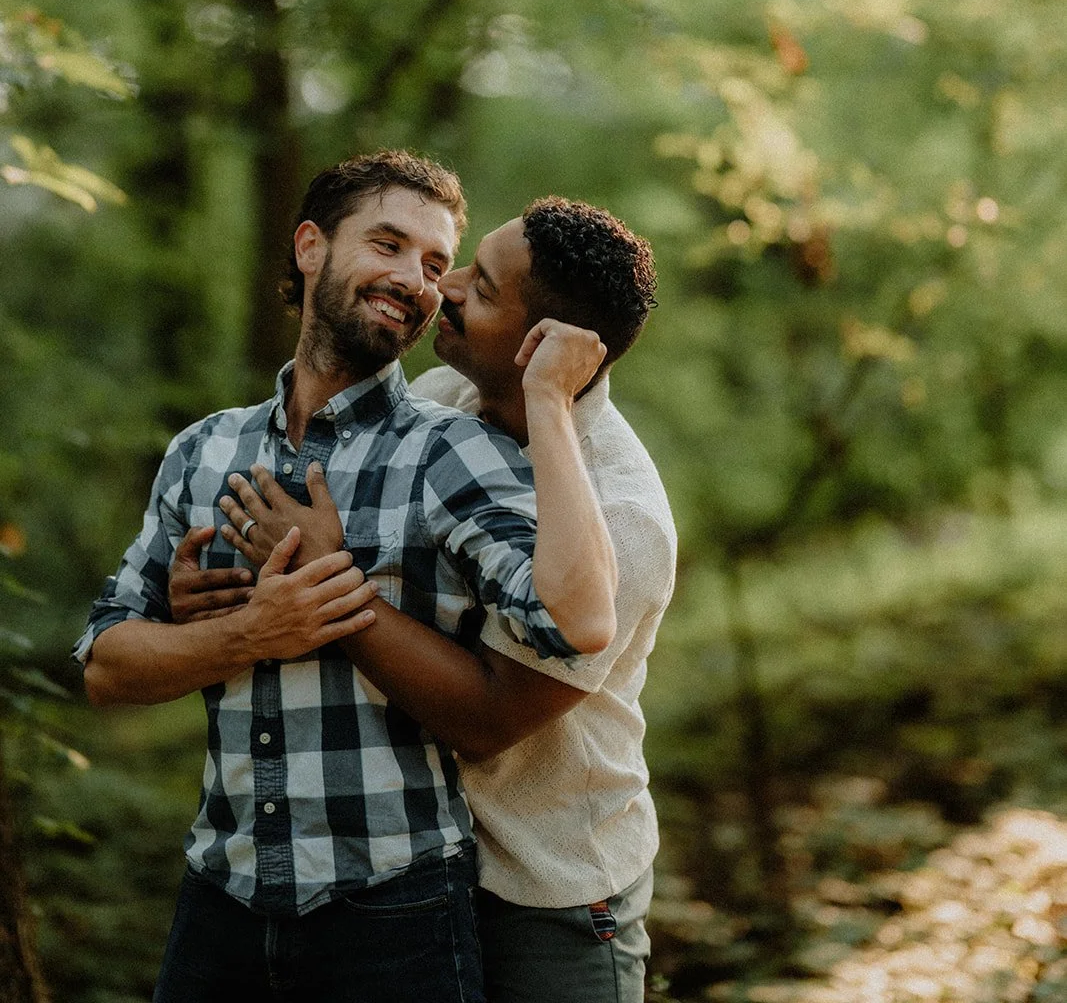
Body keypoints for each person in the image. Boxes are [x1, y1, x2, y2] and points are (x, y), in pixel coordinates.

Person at [74, 152, 620, 1003]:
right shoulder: (203, 451)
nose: (415, 280)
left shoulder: (449, 452)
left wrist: (546, 400)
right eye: (389, 245)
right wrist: (244, 635)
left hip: (396, 909)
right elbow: (105, 666)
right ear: (309, 247)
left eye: (436, 266)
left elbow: (574, 622)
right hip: (218, 900)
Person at [198, 196, 676, 1003]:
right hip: (404, 863)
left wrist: (331, 579)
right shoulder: (444, 403)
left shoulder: (621, 518)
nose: (442, 287)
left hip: (540, 884)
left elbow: (486, 721)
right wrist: (210, 588)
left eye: (480, 287)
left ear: (541, 349)